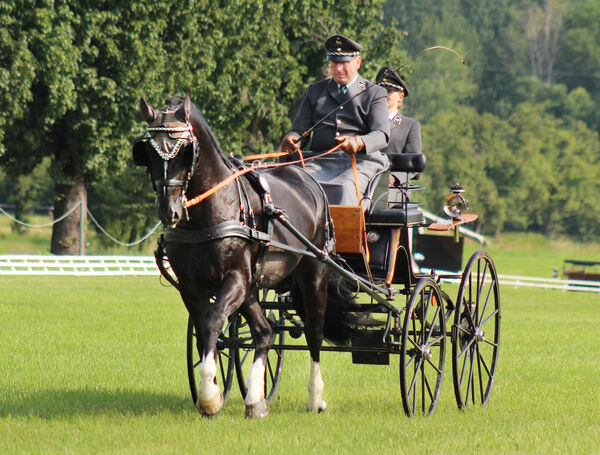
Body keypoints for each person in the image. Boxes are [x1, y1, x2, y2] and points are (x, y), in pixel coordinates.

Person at [280, 34, 390, 206]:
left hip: (360, 161)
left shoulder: (374, 92)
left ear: (357, 62)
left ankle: (344, 233)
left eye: (344, 63)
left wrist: (359, 142)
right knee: (297, 186)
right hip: (320, 161)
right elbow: (300, 130)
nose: (339, 69)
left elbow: (381, 134)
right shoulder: (315, 91)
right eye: (334, 63)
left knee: (346, 188)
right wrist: (292, 137)